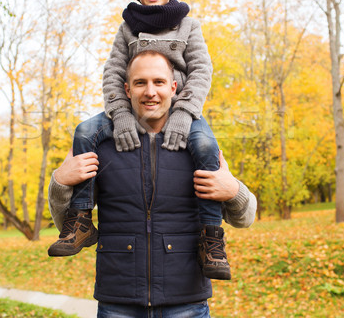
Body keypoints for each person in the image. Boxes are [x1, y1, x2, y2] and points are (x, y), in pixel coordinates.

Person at [48, 0, 228, 279]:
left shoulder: (189, 25)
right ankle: (82, 219)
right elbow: (114, 71)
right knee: (85, 130)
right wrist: (119, 113)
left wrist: (185, 112)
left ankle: (211, 236)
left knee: (206, 145)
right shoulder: (128, 26)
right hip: (131, 110)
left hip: (181, 108)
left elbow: (201, 71)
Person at [48, 51, 257, 317]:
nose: (150, 92)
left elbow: (245, 218)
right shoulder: (102, 146)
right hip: (118, 301)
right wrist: (60, 182)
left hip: (186, 301)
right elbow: (66, 226)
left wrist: (234, 191)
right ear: (126, 89)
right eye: (140, 82)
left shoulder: (199, 145)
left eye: (158, 82)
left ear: (173, 88)